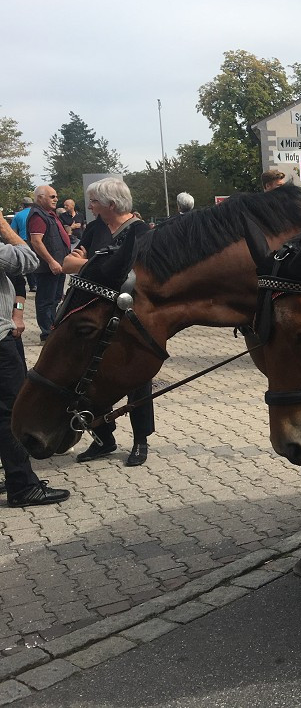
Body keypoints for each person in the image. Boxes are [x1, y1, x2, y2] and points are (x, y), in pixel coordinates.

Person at [62, 177, 155, 466]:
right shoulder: (95, 228)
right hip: (95, 314)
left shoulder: (142, 232)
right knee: (89, 378)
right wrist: (97, 266)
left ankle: (141, 441)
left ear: (111, 204)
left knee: (138, 379)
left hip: (131, 317)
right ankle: (104, 438)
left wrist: (87, 264)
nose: (89, 206)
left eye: (94, 201)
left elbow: (133, 274)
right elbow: (67, 263)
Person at [0, 214, 70, 506]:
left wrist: (17, 312)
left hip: (7, 329)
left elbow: (16, 284)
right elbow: (27, 259)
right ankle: (22, 485)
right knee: (10, 410)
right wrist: (6, 229)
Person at [26, 185, 71, 342]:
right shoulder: (38, 215)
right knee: (46, 300)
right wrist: (51, 261)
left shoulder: (48, 214)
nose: (56, 199)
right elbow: (36, 242)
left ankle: (53, 328)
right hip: (48, 268)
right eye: (52, 196)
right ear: (40, 198)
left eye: (56, 196)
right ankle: (47, 333)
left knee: (55, 298)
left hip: (59, 266)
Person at [10, 198, 36, 293]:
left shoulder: (18, 216)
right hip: (38, 239)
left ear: (23, 205)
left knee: (28, 262)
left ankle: (33, 285)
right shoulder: (36, 214)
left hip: (24, 241)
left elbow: (13, 232)